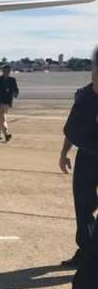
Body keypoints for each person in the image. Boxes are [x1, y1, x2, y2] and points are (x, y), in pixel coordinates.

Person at [58, 48, 98, 268]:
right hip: (87, 158)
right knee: (83, 207)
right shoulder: (83, 97)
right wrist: (64, 153)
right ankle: (86, 251)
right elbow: (72, 128)